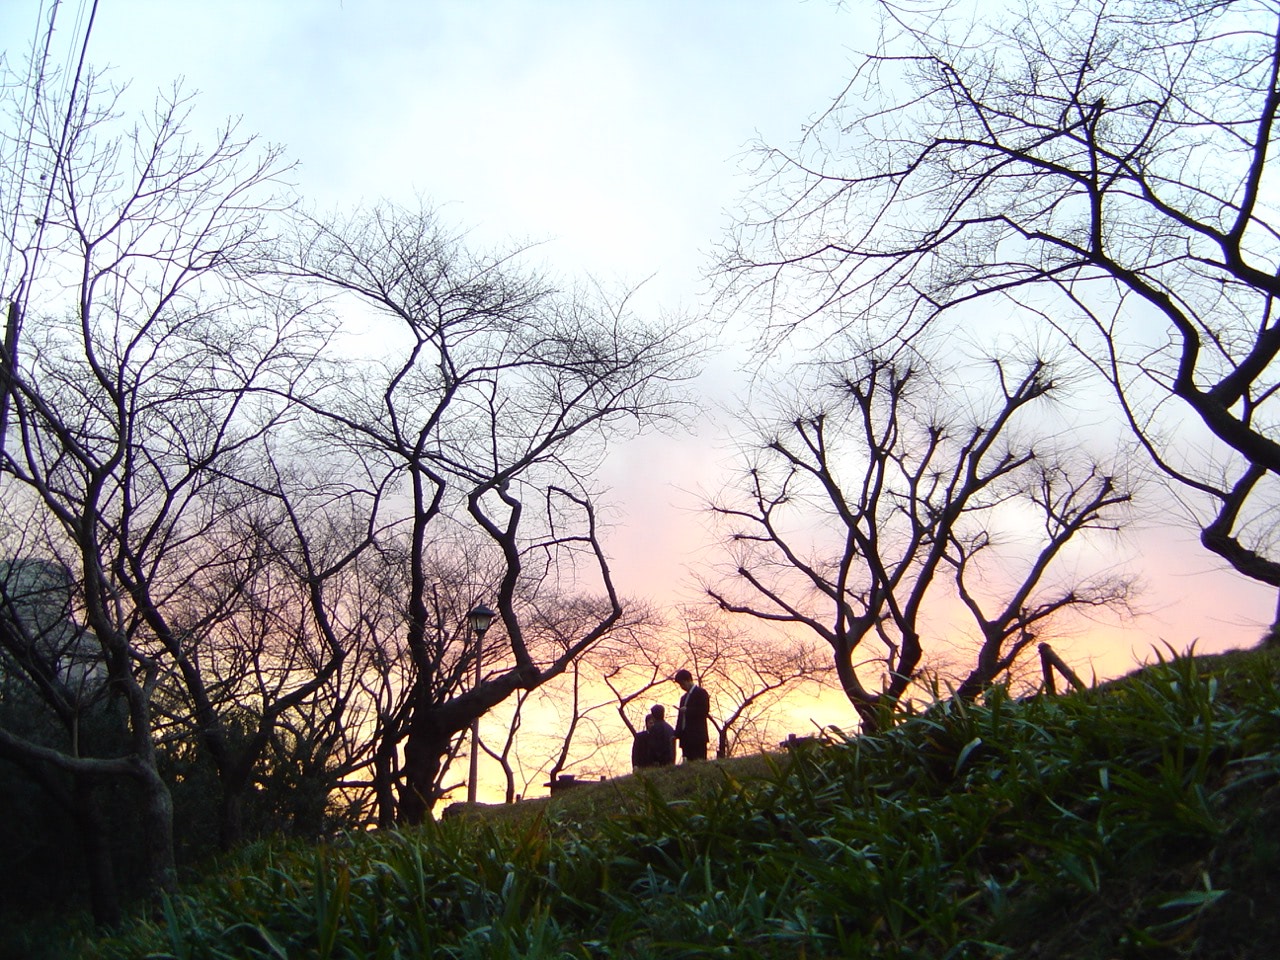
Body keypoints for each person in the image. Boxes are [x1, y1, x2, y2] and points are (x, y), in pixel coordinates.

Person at [672, 668, 710, 762]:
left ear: (689, 680)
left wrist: (688, 710)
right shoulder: (683, 698)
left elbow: (704, 711)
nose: (682, 686)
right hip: (686, 738)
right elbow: (680, 719)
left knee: (699, 762)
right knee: (688, 764)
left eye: (683, 684)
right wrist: (677, 734)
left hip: (697, 736)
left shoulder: (701, 693)